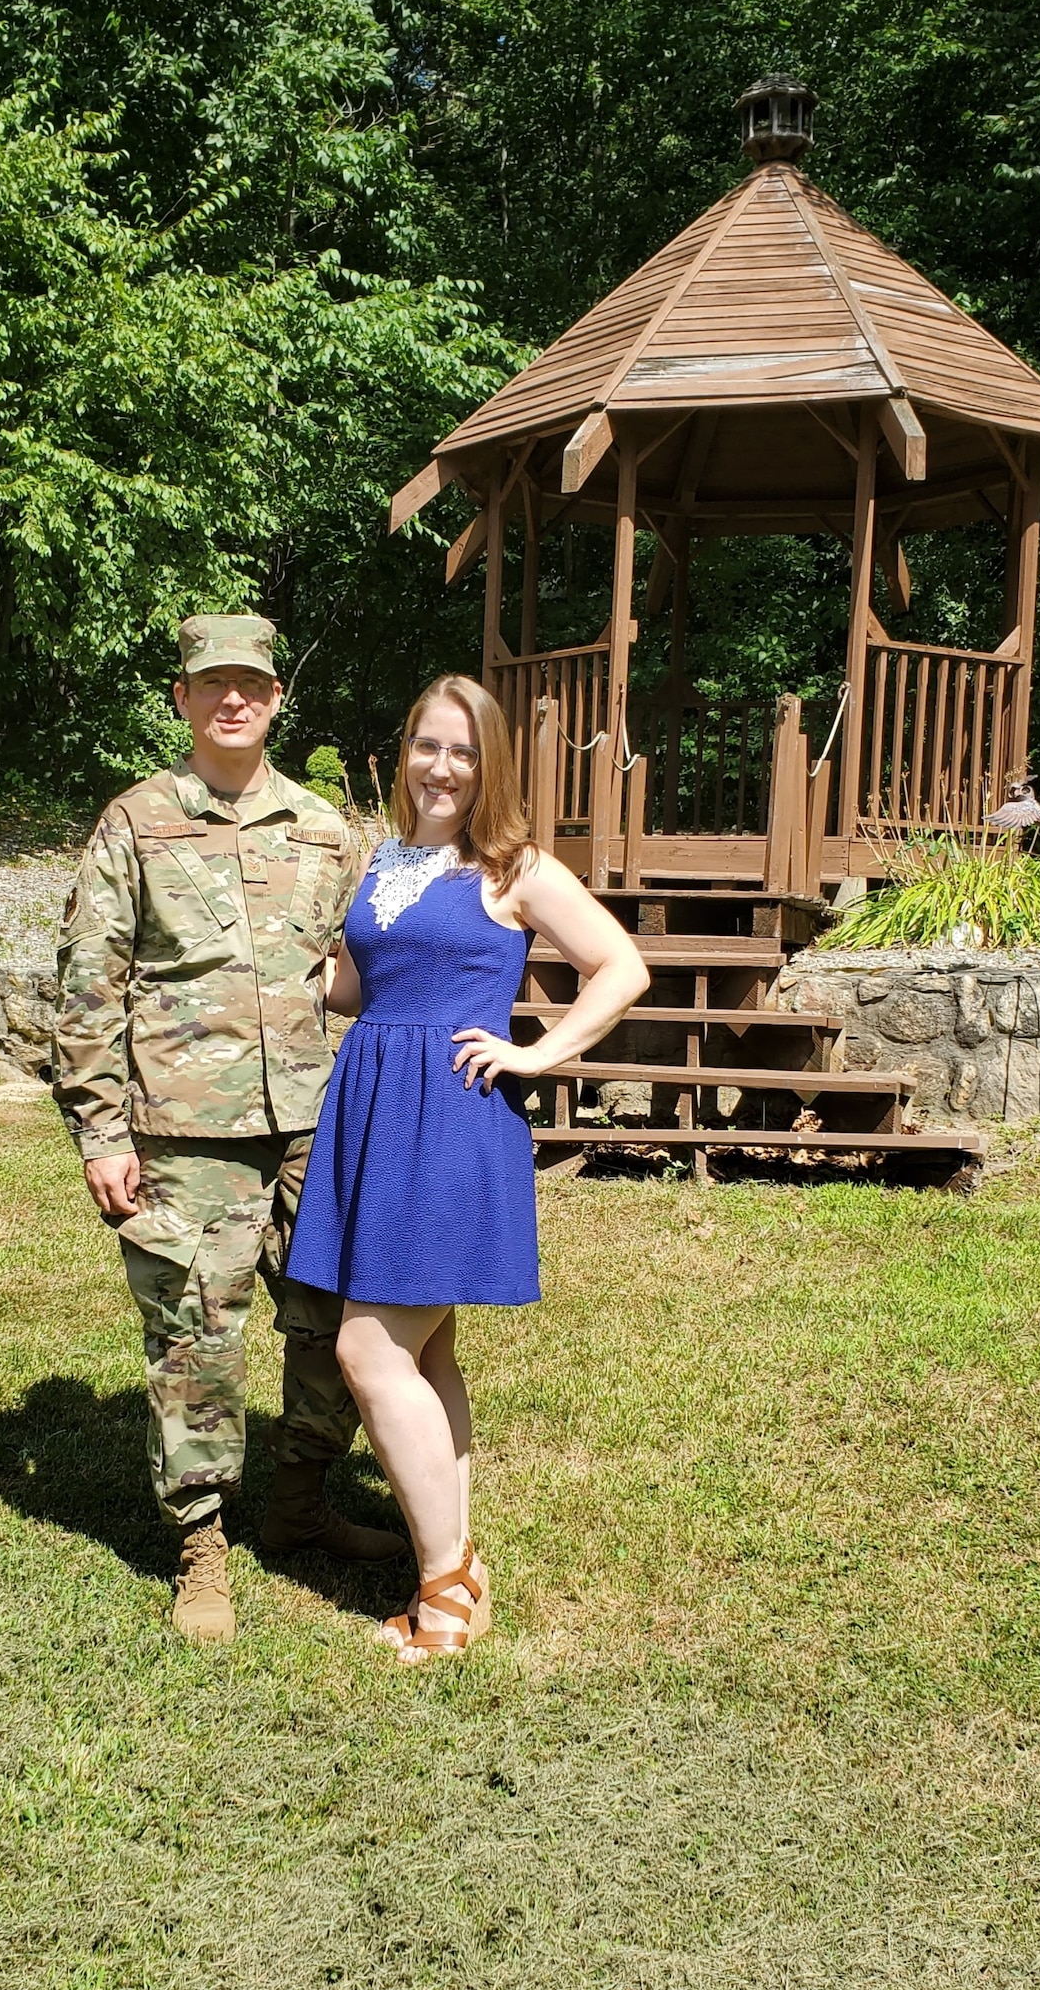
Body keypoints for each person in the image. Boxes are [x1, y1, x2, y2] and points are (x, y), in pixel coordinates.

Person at [53, 613, 405, 1646]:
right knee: (197, 1340)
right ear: (183, 698)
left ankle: (299, 1502)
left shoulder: (324, 827)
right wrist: (99, 1130)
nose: (234, 699)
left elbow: (372, 960)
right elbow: (88, 983)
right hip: (184, 1128)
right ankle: (201, 1548)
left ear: (276, 698)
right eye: (213, 684)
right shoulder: (137, 822)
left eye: (251, 682)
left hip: (312, 1122)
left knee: (337, 1316)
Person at [287, 673, 651, 1663]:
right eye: (426, 746)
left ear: (488, 763)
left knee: (368, 1350)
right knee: (426, 1350)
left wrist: (536, 1050)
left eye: (462, 750)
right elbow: (363, 983)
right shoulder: (388, 858)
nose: (441, 767)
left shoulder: (514, 866)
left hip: (448, 1119)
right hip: (374, 1108)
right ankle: (456, 1564)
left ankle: (447, 1587)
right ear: (404, 751)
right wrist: (267, 958)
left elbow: (621, 965)